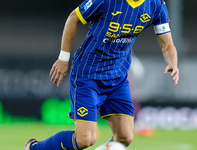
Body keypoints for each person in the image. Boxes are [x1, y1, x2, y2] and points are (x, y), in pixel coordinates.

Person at [24, 0, 179, 149]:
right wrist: (63, 58)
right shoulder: (106, 1)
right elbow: (73, 17)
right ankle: (34, 148)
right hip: (88, 76)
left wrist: (173, 62)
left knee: (125, 137)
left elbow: (167, 44)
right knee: (86, 139)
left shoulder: (156, 4)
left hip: (117, 78)